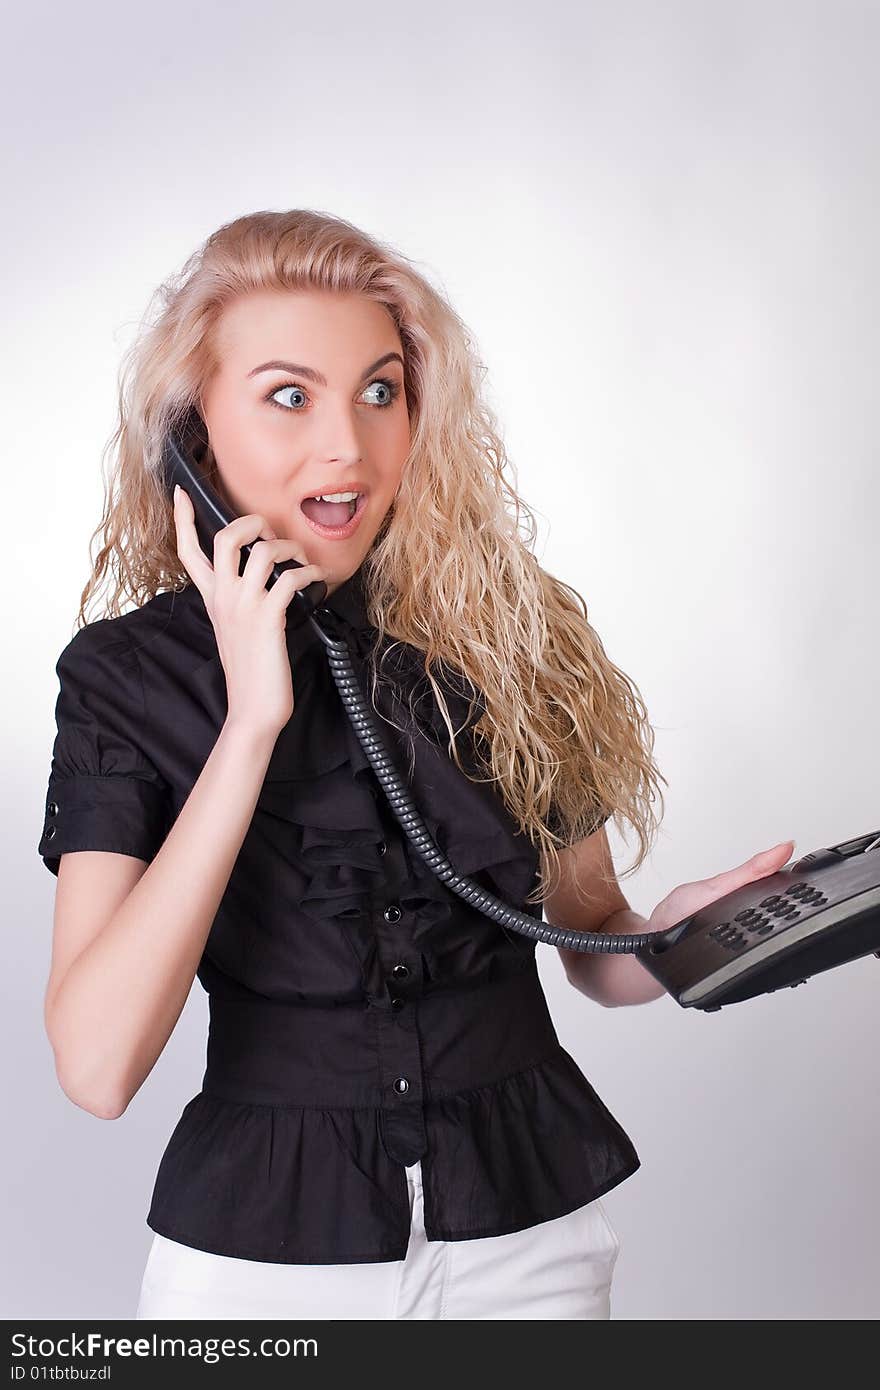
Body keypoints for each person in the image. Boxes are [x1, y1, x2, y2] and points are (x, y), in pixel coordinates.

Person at [37, 209, 793, 1320]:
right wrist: (251, 722)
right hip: (262, 1260)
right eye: (290, 395)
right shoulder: (126, 678)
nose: (348, 444)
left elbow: (589, 940)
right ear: (191, 431)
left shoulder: (512, 637)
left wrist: (683, 933)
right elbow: (96, 1068)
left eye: (380, 391)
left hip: (529, 1239)